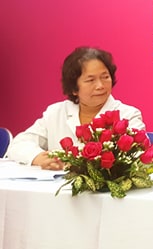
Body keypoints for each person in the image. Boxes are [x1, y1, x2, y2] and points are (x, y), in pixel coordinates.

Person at [6, 47, 145, 170]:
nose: (100, 86)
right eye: (90, 80)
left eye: (105, 77)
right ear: (74, 88)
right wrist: (37, 157)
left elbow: (139, 157)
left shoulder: (128, 115)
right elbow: (20, 144)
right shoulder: (55, 112)